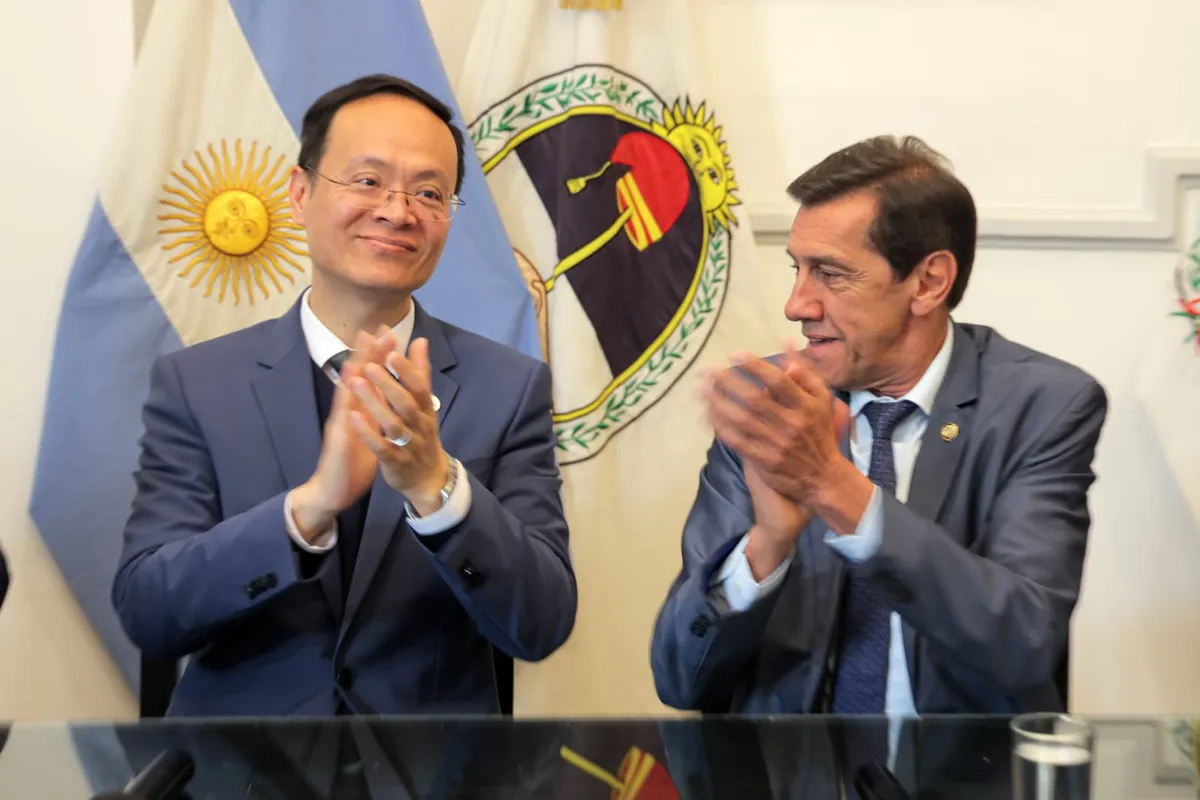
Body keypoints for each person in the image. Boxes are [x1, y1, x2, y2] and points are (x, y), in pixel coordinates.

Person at [113, 74, 576, 717]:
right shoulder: (197, 384)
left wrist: (437, 488)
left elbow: (542, 622)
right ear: (299, 193)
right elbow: (149, 612)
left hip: (436, 766)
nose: (397, 211)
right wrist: (308, 510)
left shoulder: (509, 387)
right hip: (244, 765)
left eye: (429, 192)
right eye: (367, 181)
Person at [650, 135, 1107, 716]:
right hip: (791, 764)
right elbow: (680, 680)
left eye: (830, 274)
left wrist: (832, 487)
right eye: (798, 269)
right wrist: (768, 545)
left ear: (928, 282)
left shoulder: (1040, 406)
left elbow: (1024, 643)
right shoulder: (772, 403)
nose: (796, 304)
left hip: (958, 764)